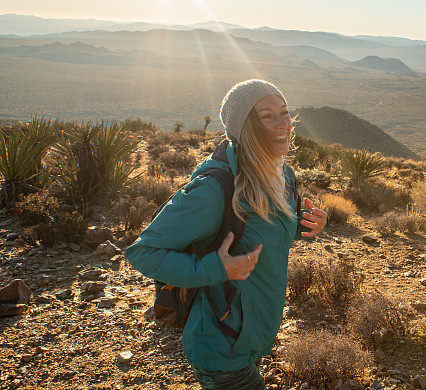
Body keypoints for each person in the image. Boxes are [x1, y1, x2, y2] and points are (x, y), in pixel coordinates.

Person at [126, 79, 327, 390]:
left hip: (251, 336)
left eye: (285, 112)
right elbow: (142, 252)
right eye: (267, 116)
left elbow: (263, 231)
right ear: (244, 127)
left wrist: (303, 225)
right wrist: (216, 269)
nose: (283, 124)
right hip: (220, 349)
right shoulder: (214, 190)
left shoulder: (281, 173)